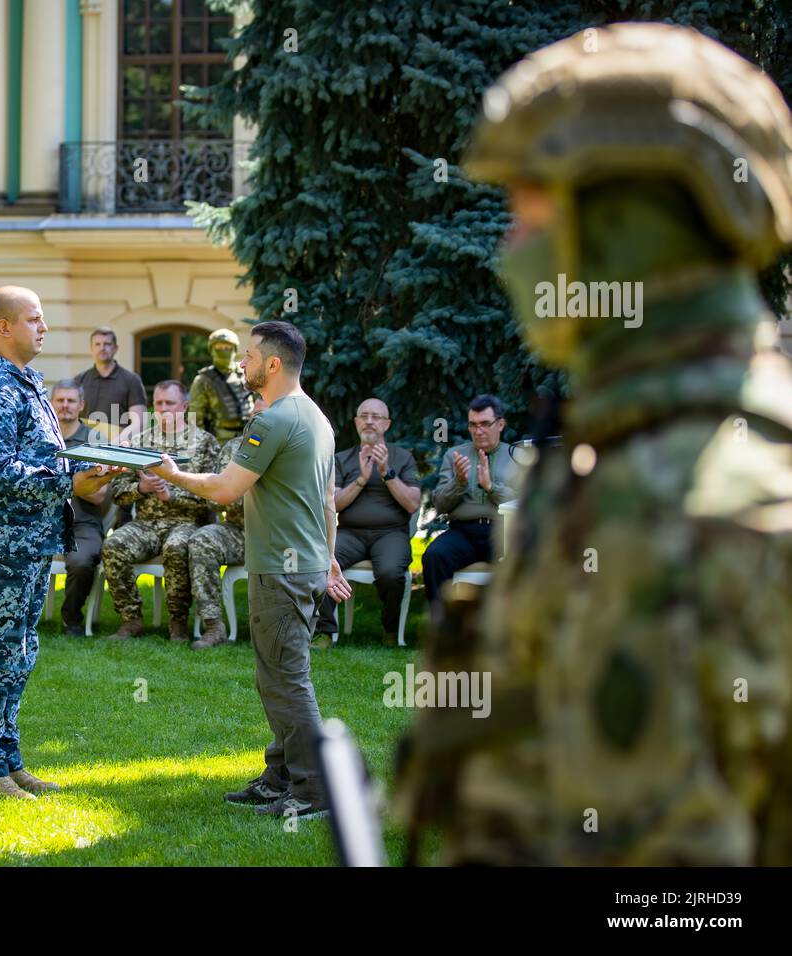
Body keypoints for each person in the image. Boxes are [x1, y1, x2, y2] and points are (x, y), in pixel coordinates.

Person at [396, 22, 792, 866]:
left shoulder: (672, 510)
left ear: (627, 225)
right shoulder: (644, 455)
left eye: (529, 209)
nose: (510, 248)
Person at [148, 321, 352, 820]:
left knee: (288, 680)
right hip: (301, 566)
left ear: (274, 364)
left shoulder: (275, 419)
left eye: (252, 355)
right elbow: (327, 502)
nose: (243, 363)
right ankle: (280, 775)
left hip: (282, 571)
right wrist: (326, 560)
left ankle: (312, 790)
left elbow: (223, 490)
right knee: (275, 677)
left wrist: (172, 475)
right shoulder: (317, 418)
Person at [0, 286, 121, 798]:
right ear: (4, 327)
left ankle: (8, 759)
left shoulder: (24, 382)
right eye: (33, 319)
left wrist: (84, 470)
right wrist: (67, 483)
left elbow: (42, 458)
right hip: (4, 543)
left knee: (21, 650)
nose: (43, 327)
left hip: (31, 538)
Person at [101, 381, 222, 641]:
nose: (164, 409)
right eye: (159, 403)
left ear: (185, 406)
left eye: (170, 403)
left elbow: (214, 494)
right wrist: (141, 488)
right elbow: (118, 489)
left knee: (177, 547)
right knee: (113, 546)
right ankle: (131, 619)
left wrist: (173, 494)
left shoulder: (204, 443)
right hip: (146, 523)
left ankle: (177, 622)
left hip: (185, 522)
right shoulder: (140, 442)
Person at [314, 398, 421, 647]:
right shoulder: (341, 459)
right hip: (351, 533)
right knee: (322, 561)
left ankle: (390, 631)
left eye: (376, 417)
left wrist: (386, 472)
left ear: (387, 424)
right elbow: (334, 503)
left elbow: (412, 504)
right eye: (364, 416)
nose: (370, 421)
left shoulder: (403, 457)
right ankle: (325, 631)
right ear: (356, 422)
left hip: (390, 534)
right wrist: (362, 478)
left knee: (391, 573)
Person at [167, 394, 268, 649]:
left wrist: (240, 491)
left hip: (278, 534)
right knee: (202, 539)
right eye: (255, 415)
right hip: (240, 531)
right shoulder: (235, 448)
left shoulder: (292, 448)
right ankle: (214, 626)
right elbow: (215, 500)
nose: (258, 421)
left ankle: (288, 628)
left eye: (265, 416)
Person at [420, 394, 520, 610]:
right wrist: (459, 482)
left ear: (500, 424)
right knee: (434, 556)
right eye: (473, 425)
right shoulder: (455, 455)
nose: (478, 430)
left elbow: (525, 502)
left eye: (485, 424)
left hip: (502, 532)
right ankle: (442, 628)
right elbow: (440, 505)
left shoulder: (516, 456)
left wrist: (491, 487)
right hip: (463, 532)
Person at [50, 379, 111, 636]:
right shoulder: (38, 438)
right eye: (60, 400)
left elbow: (98, 496)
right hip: (41, 520)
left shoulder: (95, 440)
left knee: (83, 561)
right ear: (51, 405)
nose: (65, 405)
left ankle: (71, 618)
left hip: (82, 521)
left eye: (71, 400)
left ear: (81, 405)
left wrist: (57, 484)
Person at [75, 326, 147, 442]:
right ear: (91, 349)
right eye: (97, 344)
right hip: (83, 447)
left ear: (116, 348)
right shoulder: (79, 380)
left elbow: (139, 422)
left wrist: (116, 444)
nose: (102, 348)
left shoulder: (132, 380)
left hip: (117, 449)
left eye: (107, 344)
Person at [189, 328, 255, 442]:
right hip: (220, 440)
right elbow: (195, 419)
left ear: (235, 349)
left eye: (228, 347)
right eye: (219, 347)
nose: (223, 351)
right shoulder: (203, 380)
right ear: (212, 350)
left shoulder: (246, 372)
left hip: (250, 436)